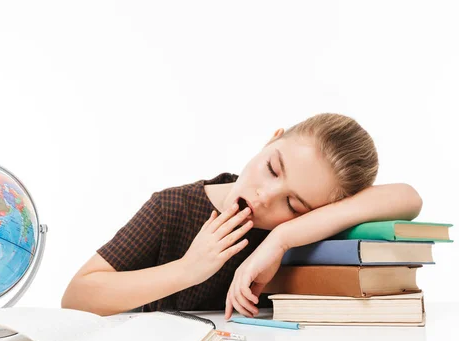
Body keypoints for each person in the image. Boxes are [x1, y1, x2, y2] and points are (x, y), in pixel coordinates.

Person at [61, 113, 423, 319]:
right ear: (270, 141)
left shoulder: (298, 231)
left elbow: (409, 197)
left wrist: (282, 239)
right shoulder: (174, 208)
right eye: (272, 167)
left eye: (293, 205)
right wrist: (188, 269)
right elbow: (76, 296)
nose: (265, 197)